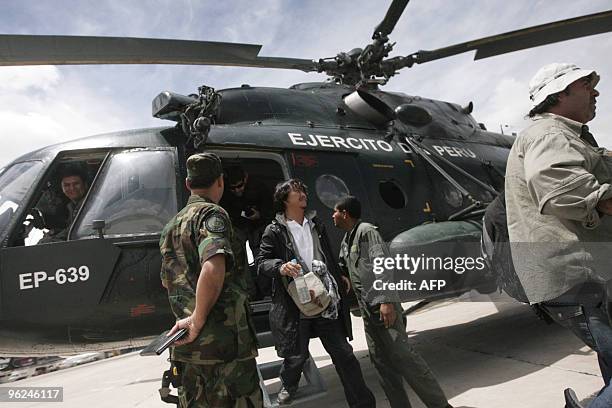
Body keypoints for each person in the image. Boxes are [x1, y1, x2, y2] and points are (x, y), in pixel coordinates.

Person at [505, 63, 612, 408]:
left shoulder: (565, 136)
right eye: (586, 85)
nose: (595, 92)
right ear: (561, 92)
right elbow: (562, 191)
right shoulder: (549, 134)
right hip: (578, 277)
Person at [256, 179, 375, 407]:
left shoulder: (316, 223)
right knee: (296, 358)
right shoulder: (274, 230)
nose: (303, 194)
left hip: (324, 300)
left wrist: (338, 273)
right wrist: (280, 266)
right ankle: (289, 385)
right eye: (297, 191)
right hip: (296, 305)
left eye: (303, 191)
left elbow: (327, 252)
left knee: (345, 355)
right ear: (284, 199)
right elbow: (262, 263)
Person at [160, 153, 262, 408]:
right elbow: (213, 264)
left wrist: (191, 320)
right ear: (220, 182)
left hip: (188, 347)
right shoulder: (212, 215)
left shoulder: (170, 227)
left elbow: (167, 282)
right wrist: (199, 318)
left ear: (188, 184)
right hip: (223, 345)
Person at [333, 196, 452, 408]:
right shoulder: (347, 239)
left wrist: (387, 301)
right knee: (381, 363)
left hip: (382, 306)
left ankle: (441, 405)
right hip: (368, 312)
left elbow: (382, 265)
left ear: (344, 213)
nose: (332, 215)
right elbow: (345, 265)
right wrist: (342, 275)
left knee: (405, 357)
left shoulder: (367, 232)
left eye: (335, 211)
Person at [220, 165, 273, 257]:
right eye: (233, 188)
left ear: (245, 179)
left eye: (239, 186)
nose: (236, 190)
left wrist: (260, 215)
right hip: (238, 228)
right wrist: (240, 213)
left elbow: (270, 209)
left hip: (258, 227)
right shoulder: (225, 193)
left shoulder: (259, 188)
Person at [39, 165, 89, 242]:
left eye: (76, 184)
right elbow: (71, 228)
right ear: (62, 188)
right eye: (67, 185)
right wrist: (55, 232)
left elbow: (79, 229)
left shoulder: (91, 203)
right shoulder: (72, 206)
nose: (72, 188)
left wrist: (52, 239)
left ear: (85, 185)